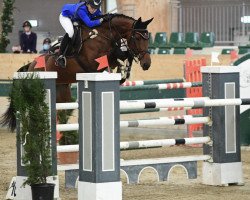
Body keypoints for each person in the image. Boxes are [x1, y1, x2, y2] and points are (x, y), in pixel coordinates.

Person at [56, 0, 103, 68]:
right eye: (92, 7)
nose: (93, 10)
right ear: (87, 4)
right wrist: (99, 21)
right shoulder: (81, 9)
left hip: (76, 18)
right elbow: (90, 24)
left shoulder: (96, 9)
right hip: (66, 17)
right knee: (70, 32)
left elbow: (100, 16)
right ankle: (61, 56)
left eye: (95, 8)